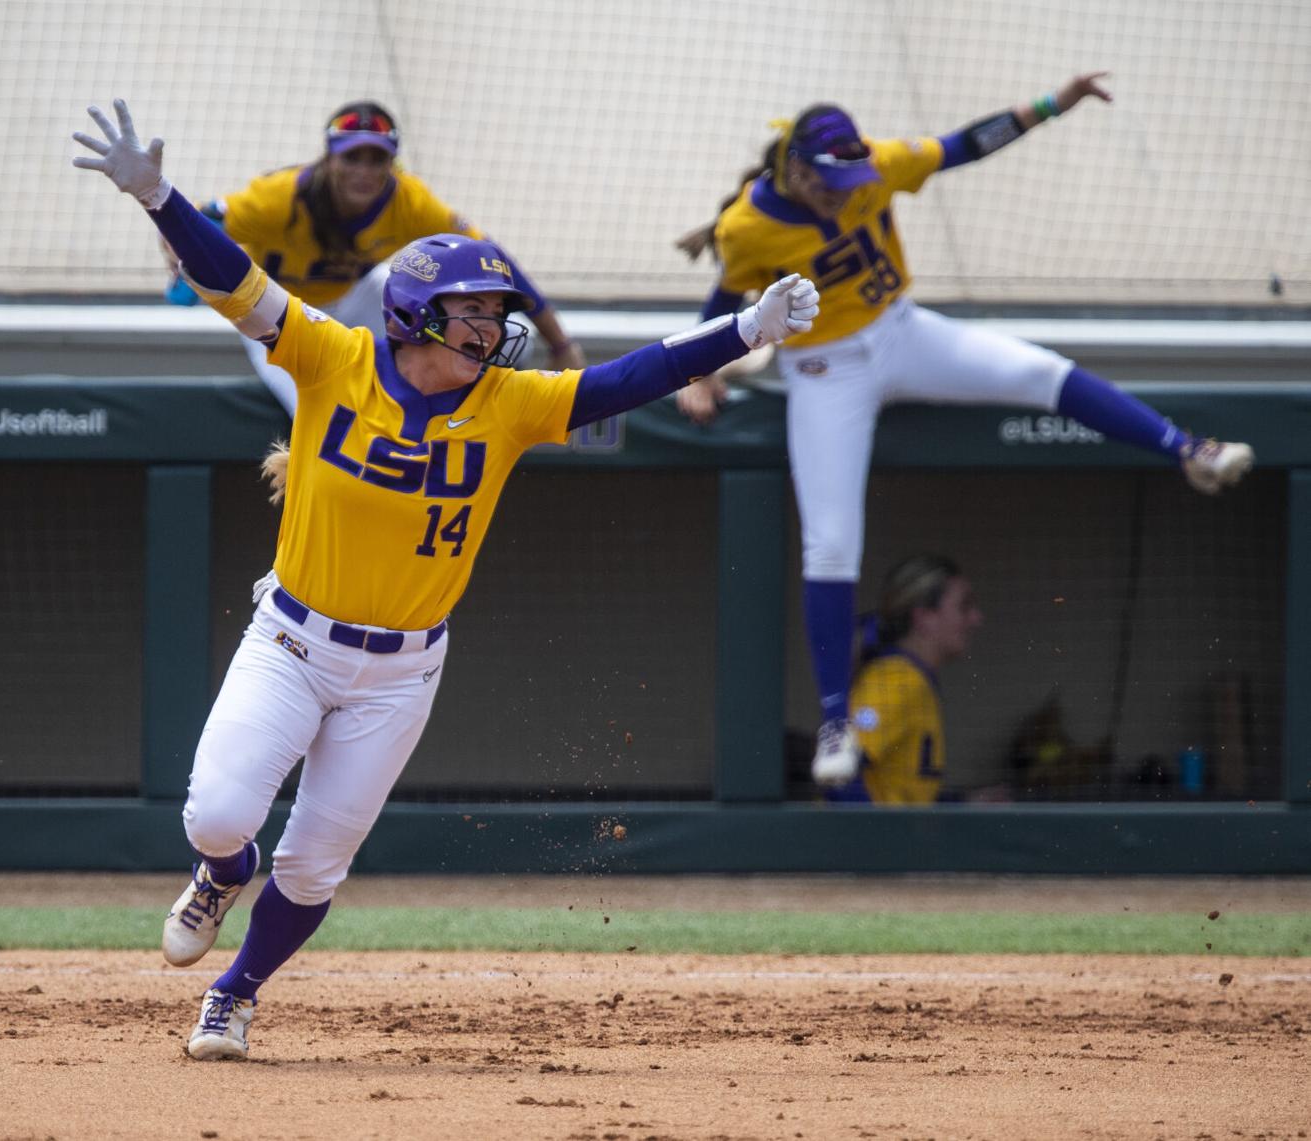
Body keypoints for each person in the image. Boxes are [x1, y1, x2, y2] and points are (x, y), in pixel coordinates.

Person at [72, 99, 819, 1062]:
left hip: (402, 672)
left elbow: (627, 381)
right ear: (419, 314)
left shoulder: (506, 404)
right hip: (294, 641)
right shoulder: (333, 356)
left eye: (495, 312)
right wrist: (160, 199)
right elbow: (239, 284)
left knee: (317, 862)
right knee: (217, 815)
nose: (493, 326)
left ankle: (236, 991)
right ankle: (222, 871)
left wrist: (743, 330)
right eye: (474, 311)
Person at [672, 75, 1256, 790]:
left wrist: (1049, 106)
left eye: (848, 177)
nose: (841, 189)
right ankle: (834, 719)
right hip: (824, 368)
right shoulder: (746, 225)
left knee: (1038, 372)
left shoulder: (879, 165)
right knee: (829, 537)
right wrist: (701, 374)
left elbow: (963, 146)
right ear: (794, 169)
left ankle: (1188, 449)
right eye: (827, 179)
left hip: (901, 330)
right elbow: (722, 300)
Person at [162, 100, 584, 415]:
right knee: (321, 410)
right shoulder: (279, 198)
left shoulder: (408, 200)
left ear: (391, 162)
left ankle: (470, 409)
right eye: (353, 157)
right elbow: (190, 220)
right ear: (329, 158)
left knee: (475, 313)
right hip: (281, 309)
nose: (364, 170)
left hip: (359, 295)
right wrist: (177, 256)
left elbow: (492, 259)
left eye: (377, 158)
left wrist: (560, 343)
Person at [824, 554, 981, 805]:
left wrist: (963, 802)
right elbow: (839, 778)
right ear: (924, 618)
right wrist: (874, 841)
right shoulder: (897, 680)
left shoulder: (912, 677)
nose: (975, 619)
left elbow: (902, 796)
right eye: (964, 607)